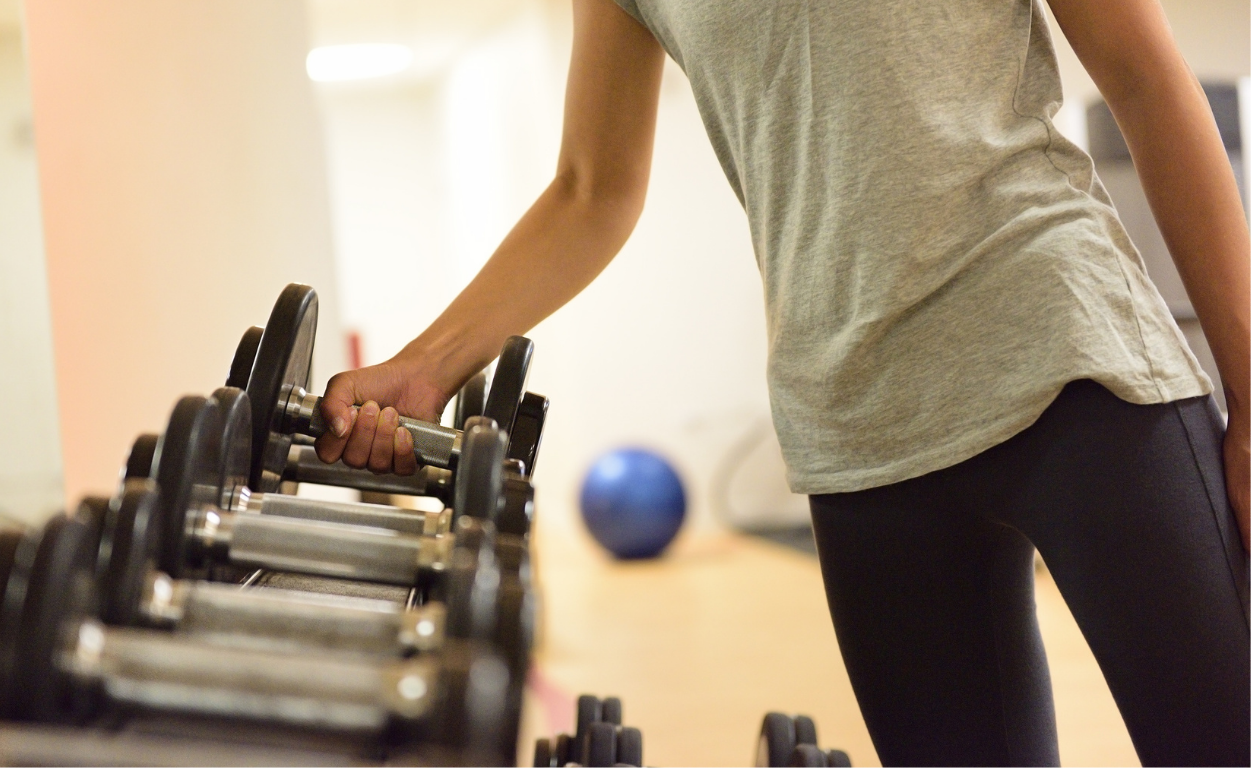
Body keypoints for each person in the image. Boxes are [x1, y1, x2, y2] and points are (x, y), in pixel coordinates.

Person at [313, 0, 1250, 764]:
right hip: (855, 425)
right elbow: (592, 189)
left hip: (1071, 359)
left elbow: (1142, 73)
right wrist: (425, 368)